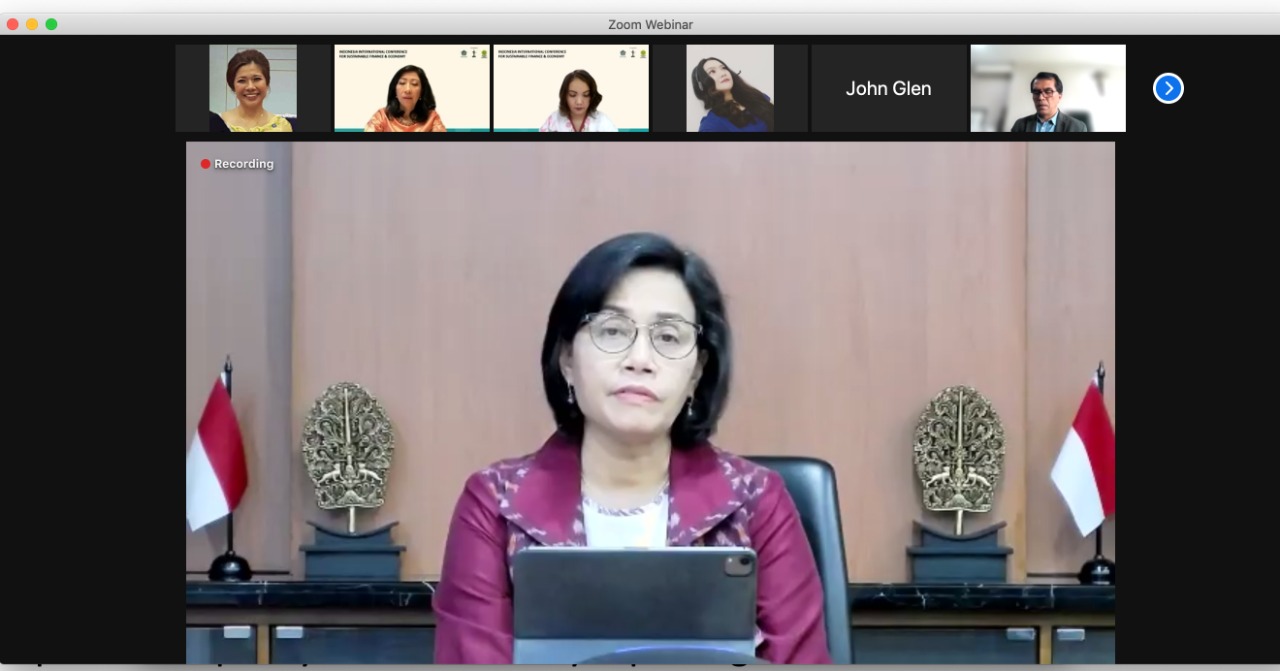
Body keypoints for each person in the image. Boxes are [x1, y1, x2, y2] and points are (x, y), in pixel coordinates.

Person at [433, 232, 832, 665]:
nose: (640, 359)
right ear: (567, 359)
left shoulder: (756, 502)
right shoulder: (494, 504)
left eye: (668, 337)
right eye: (612, 330)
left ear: (696, 373)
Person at [691, 57, 774, 132]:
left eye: (723, 68)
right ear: (703, 85)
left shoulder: (754, 96)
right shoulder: (712, 124)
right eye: (712, 71)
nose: (723, 73)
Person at [219, 49, 293, 132]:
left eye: (257, 79)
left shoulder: (281, 126)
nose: (250, 87)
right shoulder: (217, 124)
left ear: (267, 82)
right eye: (242, 81)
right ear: (232, 85)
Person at [364, 65, 447, 132]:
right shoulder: (382, 115)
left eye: (414, 84)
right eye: (402, 83)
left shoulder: (432, 118)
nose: (407, 90)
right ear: (394, 90)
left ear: (422, 91)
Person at [538, 70, 618, 132]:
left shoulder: (602, 121)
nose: (579, 102)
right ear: (564, 96)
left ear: (592, 96)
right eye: (572, 95)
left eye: (586, 95)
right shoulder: (554, 119)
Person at [1009, 72, 1088, 132]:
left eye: (1048, 91)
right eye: (1036, 92)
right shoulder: (1020, 125)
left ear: (1060, 96)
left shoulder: (1077, 128)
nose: (1041, 97)